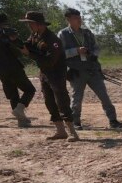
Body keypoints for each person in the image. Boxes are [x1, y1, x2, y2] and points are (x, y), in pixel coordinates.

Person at [60, 8, 122, 130]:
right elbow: (60, 53)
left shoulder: (87, 33)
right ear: (68, 20)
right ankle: (76, 122)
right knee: (77, 98)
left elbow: (96, 48)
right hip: (76, 71)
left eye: (80, 17)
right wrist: (76, 51)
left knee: (104, 96)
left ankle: (113, 120)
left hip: (92, 69)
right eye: (76, 18)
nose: (79, 20)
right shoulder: (63, 34)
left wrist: (93, 53)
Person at [19, 11, 78, 141]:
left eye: (30, 23)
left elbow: (50, 60)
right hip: (45, 73)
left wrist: (29, 54)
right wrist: (16, 42)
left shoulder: (52, 39)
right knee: (49, 102)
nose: (29, 26)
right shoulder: (35, 35)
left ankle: (73, 132)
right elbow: (29, 45)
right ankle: (61, 131)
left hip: (56, 74)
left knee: (61, 101)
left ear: (39, 24)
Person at [0, 12, 35, 127]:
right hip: (14, 66)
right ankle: (20, 109)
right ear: (4, 21)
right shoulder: (8, 32)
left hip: (0, 68)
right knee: (30, 90)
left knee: (13, 94)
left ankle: (21, 120)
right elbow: (20, 47)